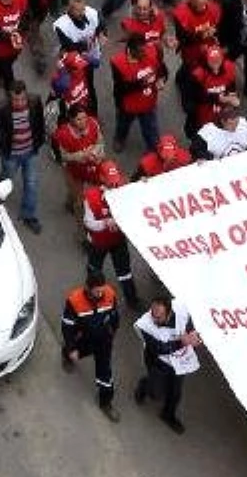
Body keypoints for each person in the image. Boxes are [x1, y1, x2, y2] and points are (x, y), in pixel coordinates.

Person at [133, 292, 199, 432]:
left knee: (175, 391)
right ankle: (144, 386)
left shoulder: (181, 307)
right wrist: (183, 342)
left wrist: (192, 332)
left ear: (169, 313)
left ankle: (168, 415)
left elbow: (189, 320)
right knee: (156, 394)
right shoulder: (143, 325)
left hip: (179, 361)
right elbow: (158, 349)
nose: (154, 320)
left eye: (159, 317)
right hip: (157, 361)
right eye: (153, 314)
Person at [0, 76, 45, 232]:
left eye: (22, 99)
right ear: (9, 98)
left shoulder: (35, 102)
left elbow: (40, 122)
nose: (20, 103)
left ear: (27, 96)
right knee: (7, 179)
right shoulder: (1, 109)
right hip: (11, 154)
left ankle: (28, 215)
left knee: (31, 184)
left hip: (30, 151)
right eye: (15, 100)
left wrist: (40, 141)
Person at [61, 278, 120, 421]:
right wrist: (71, 348)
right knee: (75, 353)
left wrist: (112, 331)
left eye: (102, 289)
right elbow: (67, 326)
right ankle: (67, 356)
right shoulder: (74, 300)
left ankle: (105, 402)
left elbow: (114, 315)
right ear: (88, 288)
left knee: (105, 373)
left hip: (104, 341)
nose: (100, 293)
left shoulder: (110, 294)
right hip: (85, 338)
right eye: (97, 290)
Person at [82, 160, 139, 306]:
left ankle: (132, 300)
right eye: (110, 181)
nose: (114, 185)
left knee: (125, 271)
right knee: (94, 272)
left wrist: (145, 184)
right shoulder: (91, 197)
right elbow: (89, 223)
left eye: (116, 181)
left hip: (118, 240)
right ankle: (92, 298)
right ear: (102, 178)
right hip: (97, 243)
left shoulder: (125, 189)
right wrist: (106, 223)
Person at [110, 32, 165, 154]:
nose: (144, 54)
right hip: (127, 106)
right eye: (141, 52)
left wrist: (161, 79)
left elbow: (162, 69)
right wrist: (141, 83)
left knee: (151, 128)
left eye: (145, 50)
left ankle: (153, 151)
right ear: (131, 49)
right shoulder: (117, 63)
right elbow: (120, 88)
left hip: (148, 103)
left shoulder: (151, 53)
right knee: (123, 124)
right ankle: (119, 138)